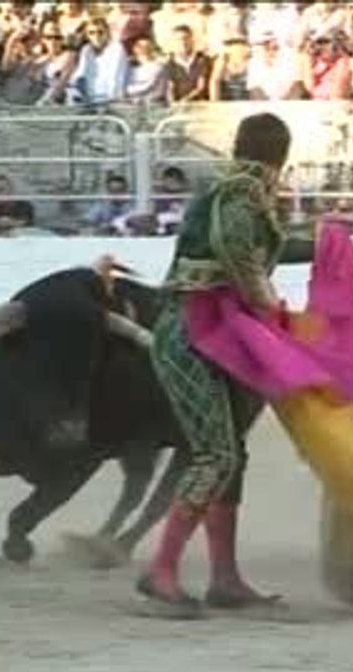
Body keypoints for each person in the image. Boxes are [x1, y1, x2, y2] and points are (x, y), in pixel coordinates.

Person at [136, 112, 315, 618]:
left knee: (227, 453)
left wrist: (324, 244)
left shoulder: (227, 187)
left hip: (208, 327)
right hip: (195, 331)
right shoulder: (243, 193)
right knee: (217, 456)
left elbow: (251, 248)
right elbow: (238, 250)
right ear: (281, 156)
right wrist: (266, 304)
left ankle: (224, 578)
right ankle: (162, 571)